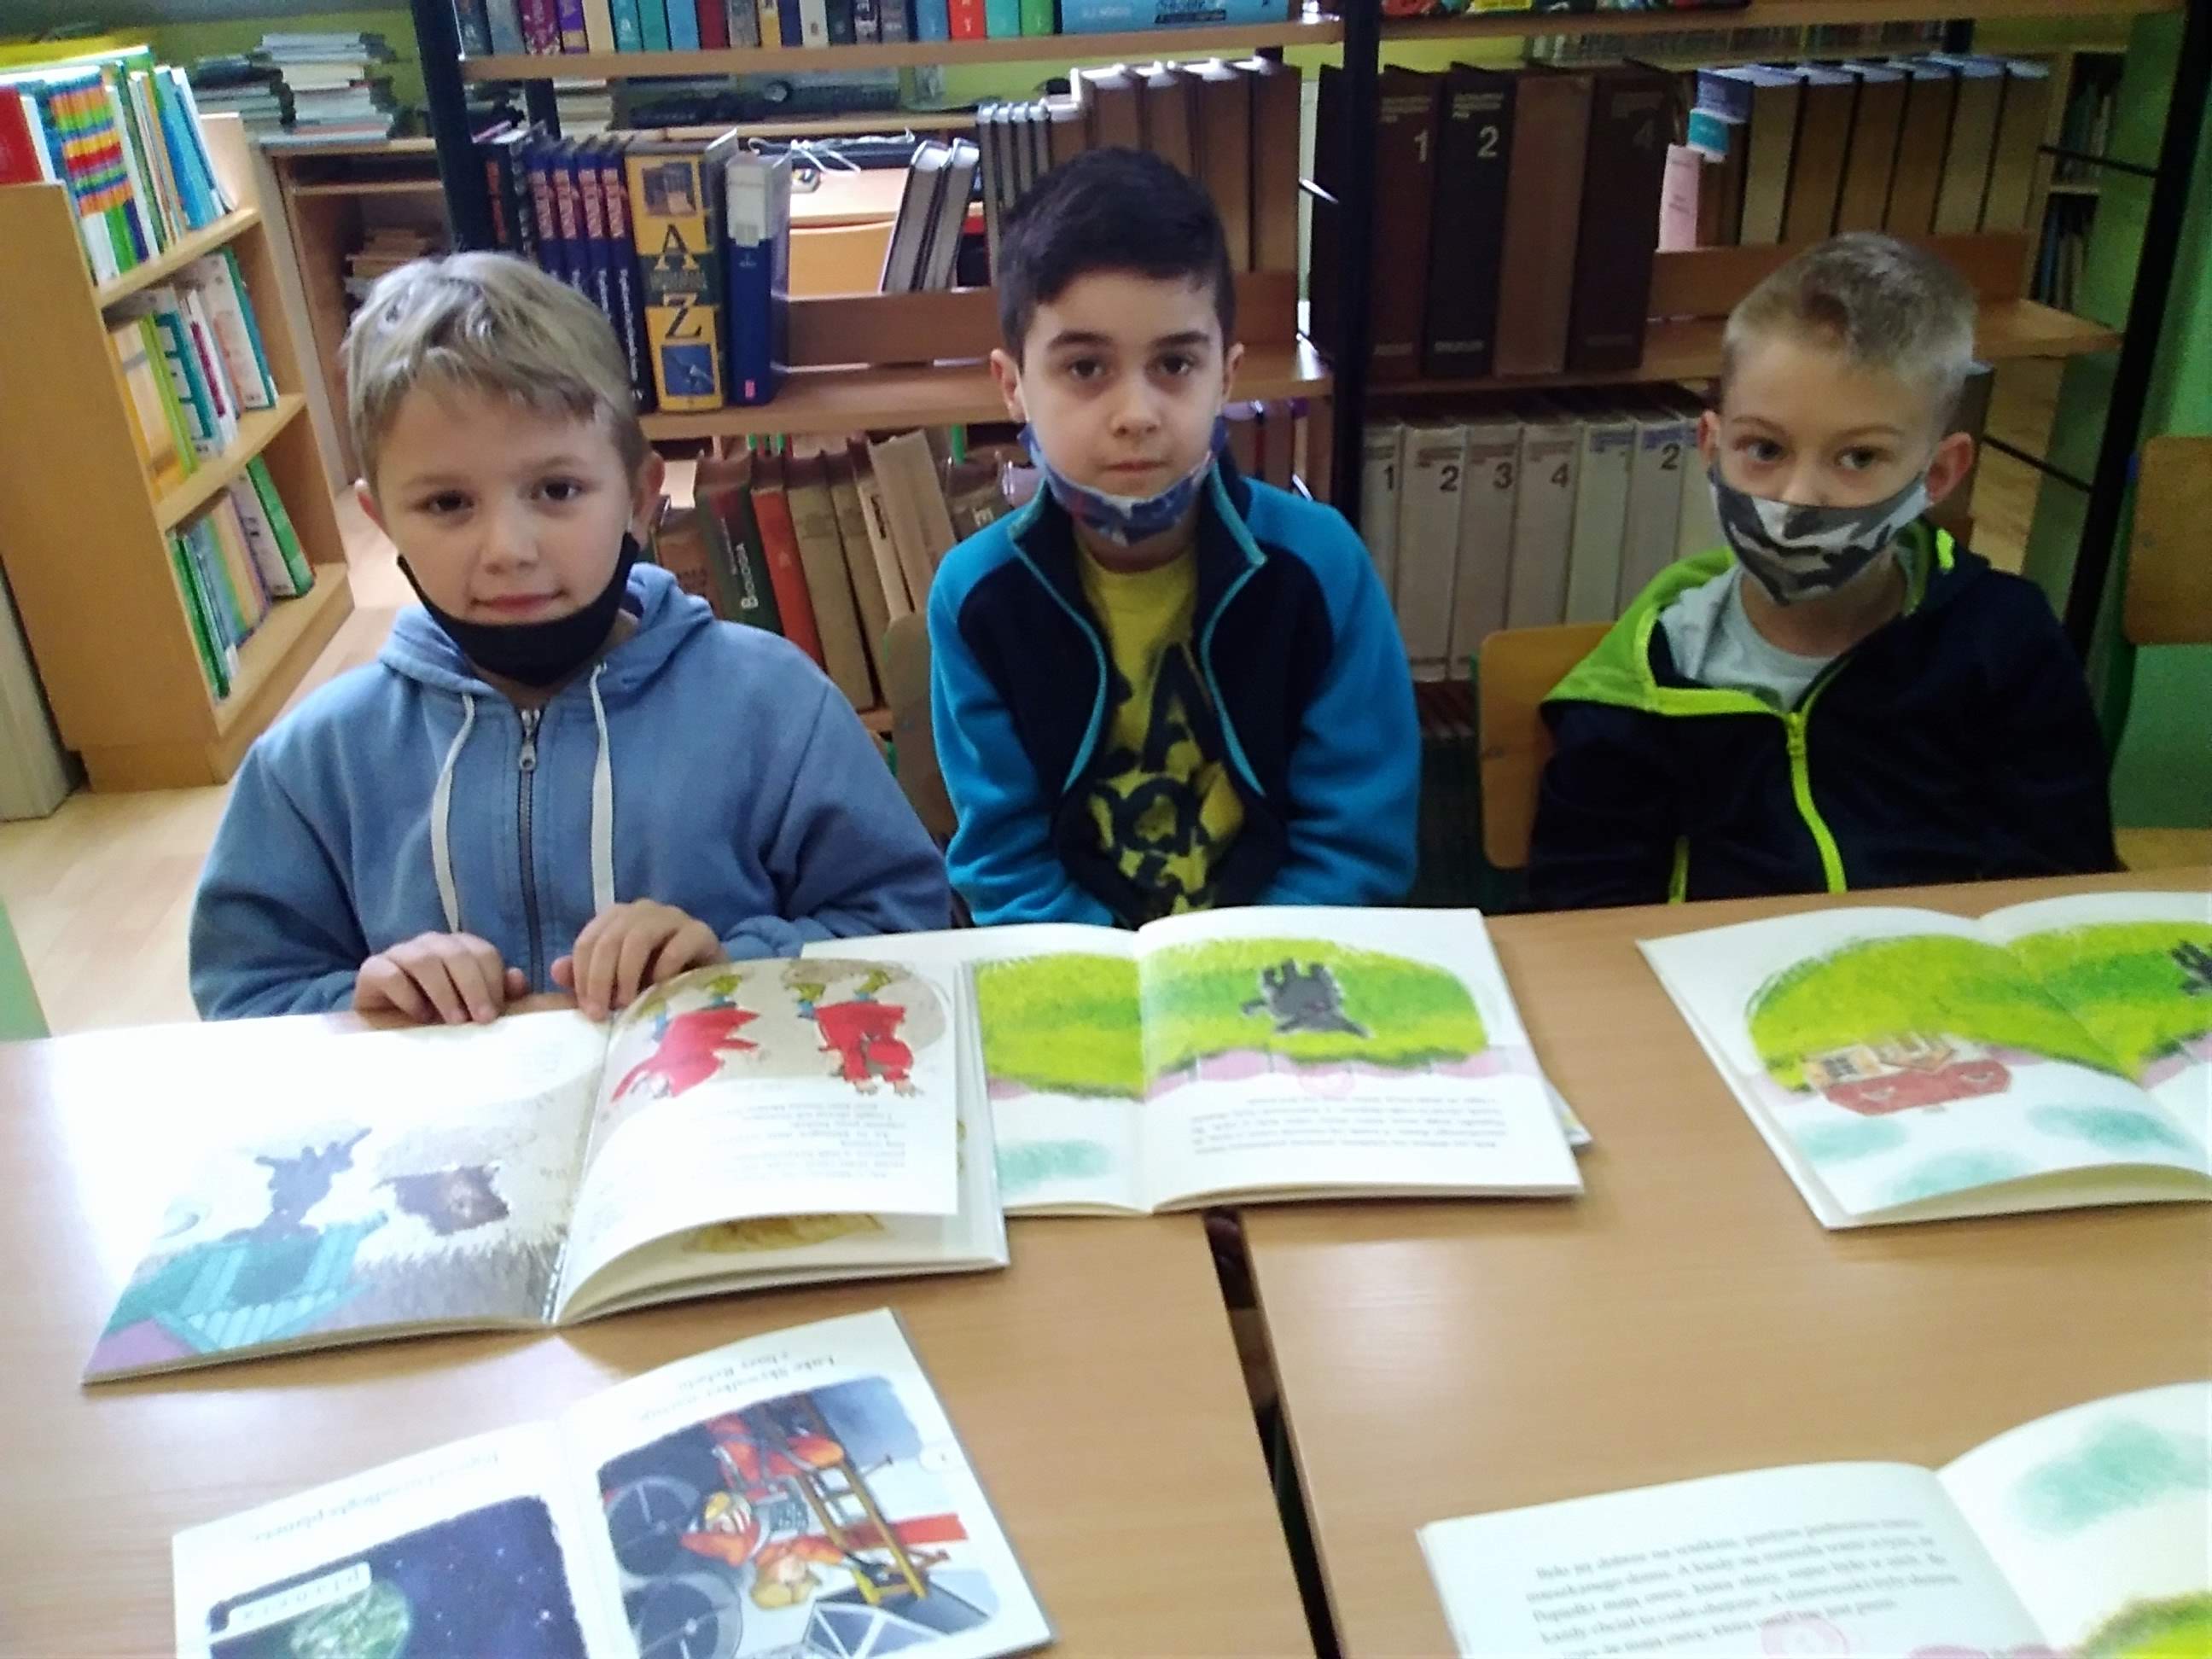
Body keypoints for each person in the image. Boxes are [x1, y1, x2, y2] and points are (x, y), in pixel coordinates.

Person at [189, 253, 946, 1022]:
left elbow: (906, 925)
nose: (508, 549)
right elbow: (247, 992)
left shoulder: (777, 707)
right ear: (382, 521)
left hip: (722, 1091)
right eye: (448, 504)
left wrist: (731, 966)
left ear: (641, 498)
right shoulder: (318, 760)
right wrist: (365, 1007)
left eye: (557, 490)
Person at [1531, 233, 2115, 908]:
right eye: (1764, 449)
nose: (1798, 498)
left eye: (1858, 458)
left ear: (1938, 475)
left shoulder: (2006, 642)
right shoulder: (1652, 678)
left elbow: (2058, 883)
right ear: (1712, 448)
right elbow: (1580, 917)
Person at [928, 148, 1419, 927]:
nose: (1137, 414)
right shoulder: (976, 597)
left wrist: (1232, 972)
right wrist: (1107, 971)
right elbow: (1007, 861)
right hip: (1080, 967)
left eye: (1176, 364)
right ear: (1013, 386)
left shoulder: (1322, 568)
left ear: (1227, 376)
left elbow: (1357, 846)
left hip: (1279, 958)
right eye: (1085, 368)